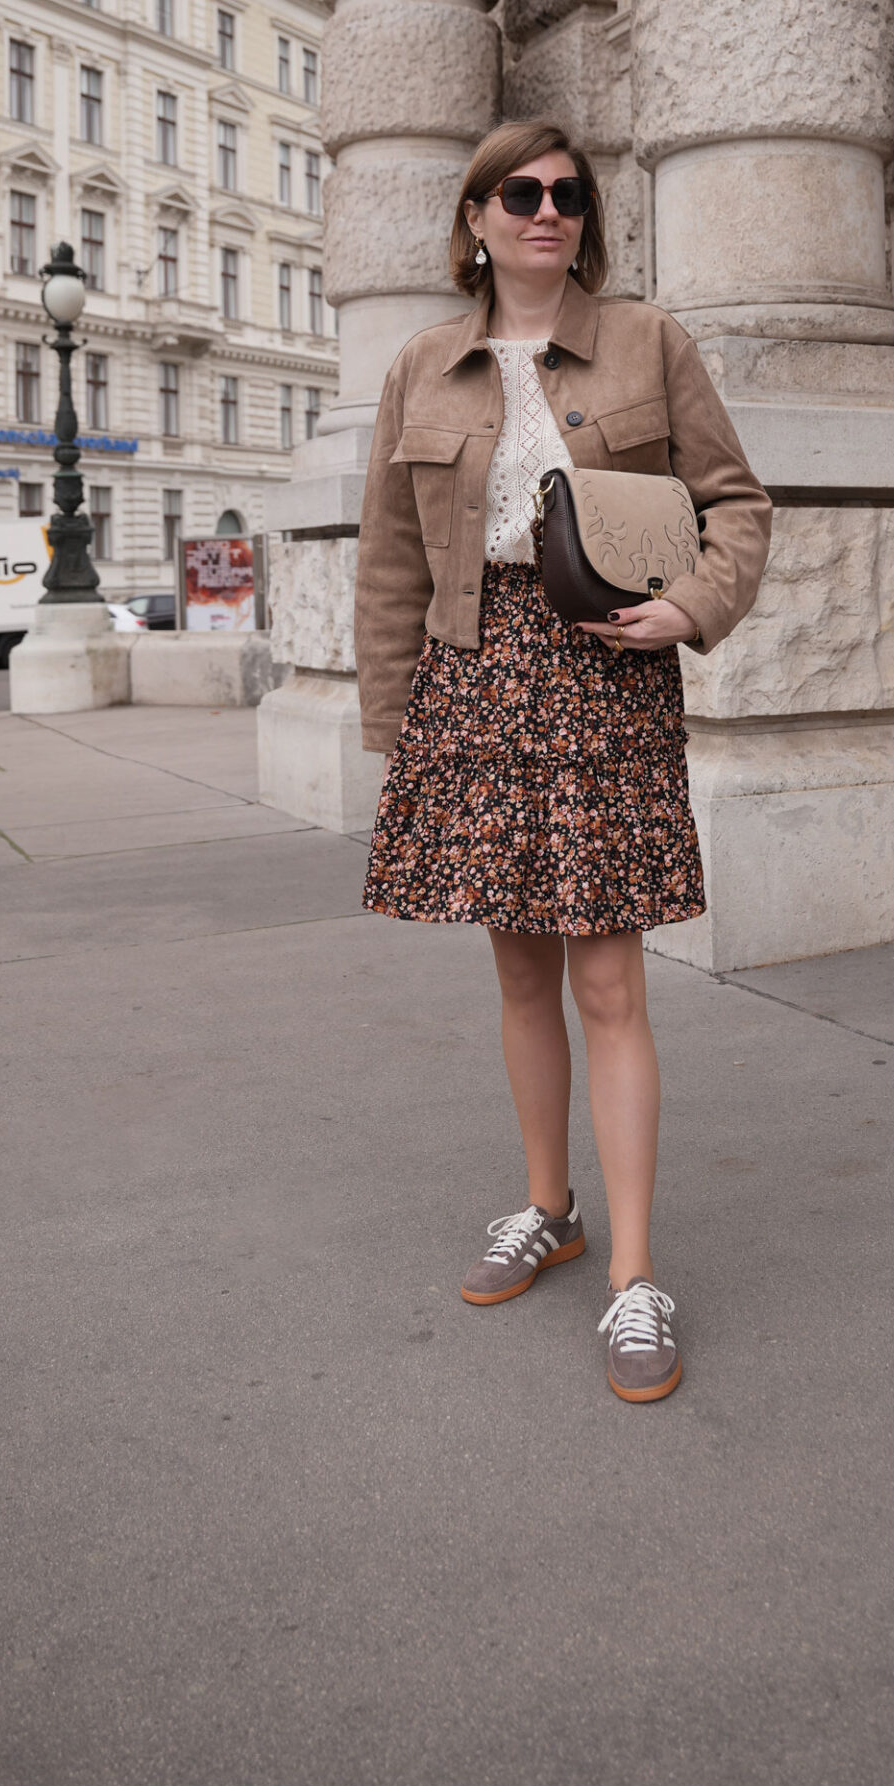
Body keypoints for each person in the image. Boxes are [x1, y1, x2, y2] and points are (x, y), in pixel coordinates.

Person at [356, 120, 770, 1402]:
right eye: (520, 194)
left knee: (609, 985)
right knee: (520, 969)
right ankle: (549, 1206)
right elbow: (387, 559)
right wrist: (396, 729)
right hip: (475, 679)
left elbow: (736, 503)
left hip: (606, 670)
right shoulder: (422, 363)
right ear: (474, 217)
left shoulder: (652, 341)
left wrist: (691, 607)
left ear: (586, 218)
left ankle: (633, 1277)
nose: (547, 212)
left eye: (567, 195)